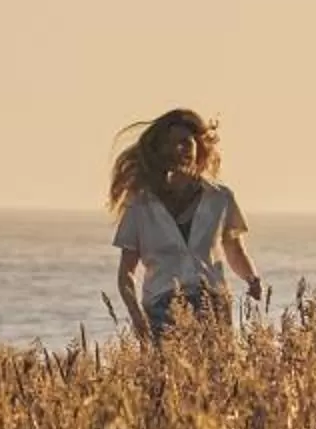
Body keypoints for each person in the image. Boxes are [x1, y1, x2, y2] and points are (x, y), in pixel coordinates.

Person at [109, 107, 267, 341]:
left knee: (216, 374)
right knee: (171, 375)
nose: (178, 149)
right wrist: (137, 316)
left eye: (185, 142)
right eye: (170, 143)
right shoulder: (140, 205)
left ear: (200, 148)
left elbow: (234, 249)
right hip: (162, 307)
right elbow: (126, 273)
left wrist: (252, 279)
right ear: (159, 151)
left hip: (212, 303)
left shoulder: (220, 198)